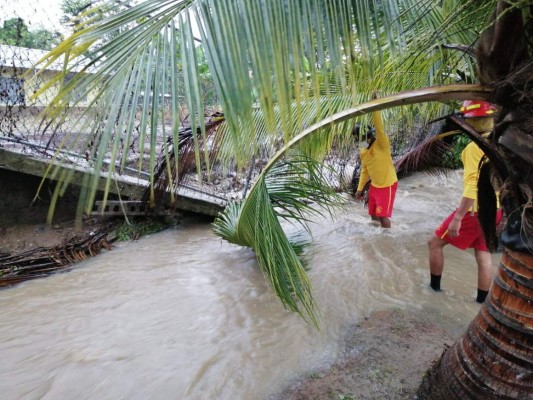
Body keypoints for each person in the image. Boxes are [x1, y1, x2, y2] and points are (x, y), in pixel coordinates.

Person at [428, 100, 501, 303]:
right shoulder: (499, 141)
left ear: (471, 123)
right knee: (483, 254)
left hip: (476, 210)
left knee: (434, 243)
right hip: (495, 208)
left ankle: (433, 291)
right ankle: (480, 302)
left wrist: (458, 217)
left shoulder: (474, 147)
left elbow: (472, 186)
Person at [354, 109, 398, 228]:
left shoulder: (381, 144)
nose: (370, 138)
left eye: (370, 136)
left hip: (387, 185)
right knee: (373, 214)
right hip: (375, 186)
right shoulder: (363, 150)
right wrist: (360, 189)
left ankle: (387, 239)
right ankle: (376, 238)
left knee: (383, 216)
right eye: (363, 139)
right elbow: (365, 170)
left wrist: (375, 109)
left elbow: (380, 128)